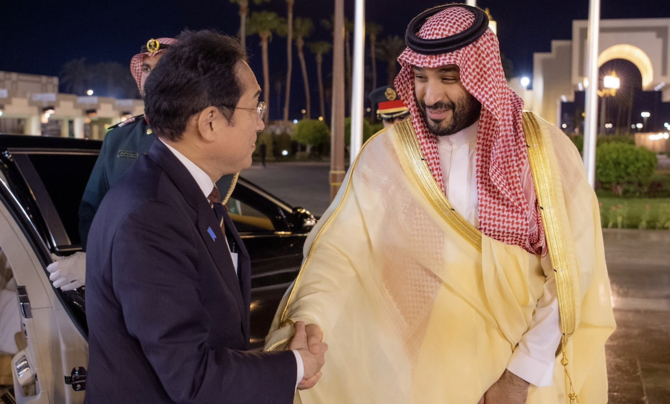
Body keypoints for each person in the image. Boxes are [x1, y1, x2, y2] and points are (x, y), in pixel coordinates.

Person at [266, 5, 614, 404]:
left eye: (448, 79)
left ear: (482, 76)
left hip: (523, 379)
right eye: (420, 78)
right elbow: (340, 252)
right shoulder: (389, 153)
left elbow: (571, 274)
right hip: (420, 375)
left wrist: (518, 379)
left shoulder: (544, 152)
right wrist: (309, 319)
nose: (431, 96)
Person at [85, 30, 327, 403]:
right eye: (255, 107)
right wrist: (296, 366)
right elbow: (192, 379)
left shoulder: (181, 191)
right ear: (210, 122)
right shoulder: (150, 217)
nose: (261, 124)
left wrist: (278, 361)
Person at [46, 37, 236, 291]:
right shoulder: (119, 137)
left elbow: (189, 222)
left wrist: (107, 262)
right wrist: (97, 256)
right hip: (115, 284)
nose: (150, 76)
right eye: (146, 69)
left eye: (160, 69)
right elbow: (92, 208)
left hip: (175, 279)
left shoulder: (206, 137)